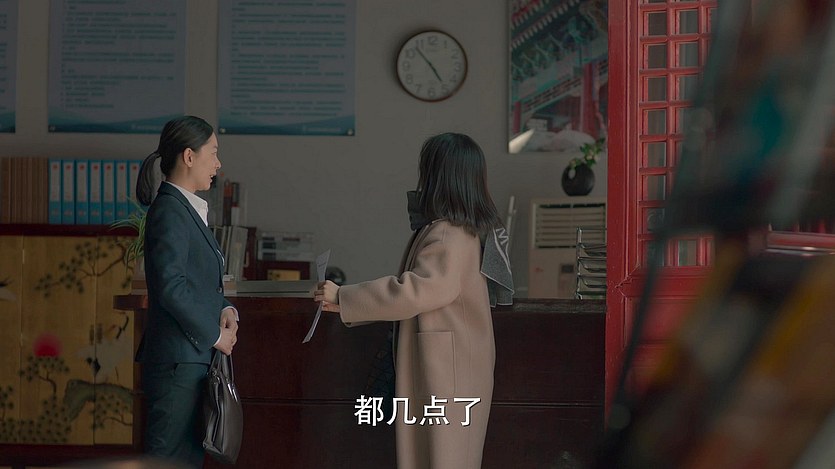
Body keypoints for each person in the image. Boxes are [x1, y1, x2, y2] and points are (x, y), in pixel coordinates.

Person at [314, 132, 513, 469]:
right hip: (448, 369)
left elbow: (416, 291)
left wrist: (344, 296)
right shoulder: (457, 229)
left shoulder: (448, 233)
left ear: (437, 177)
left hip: (446, 373)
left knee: (443, 459)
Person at [134, 115, 239, 468]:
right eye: (214, 153)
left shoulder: (186, 209)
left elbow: (197, 281)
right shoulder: (171, 211)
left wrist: (225, 308)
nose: (218, 164)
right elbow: (171, 287)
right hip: (177, 363)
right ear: (189, 156)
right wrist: (215, 336)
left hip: (187, 361)